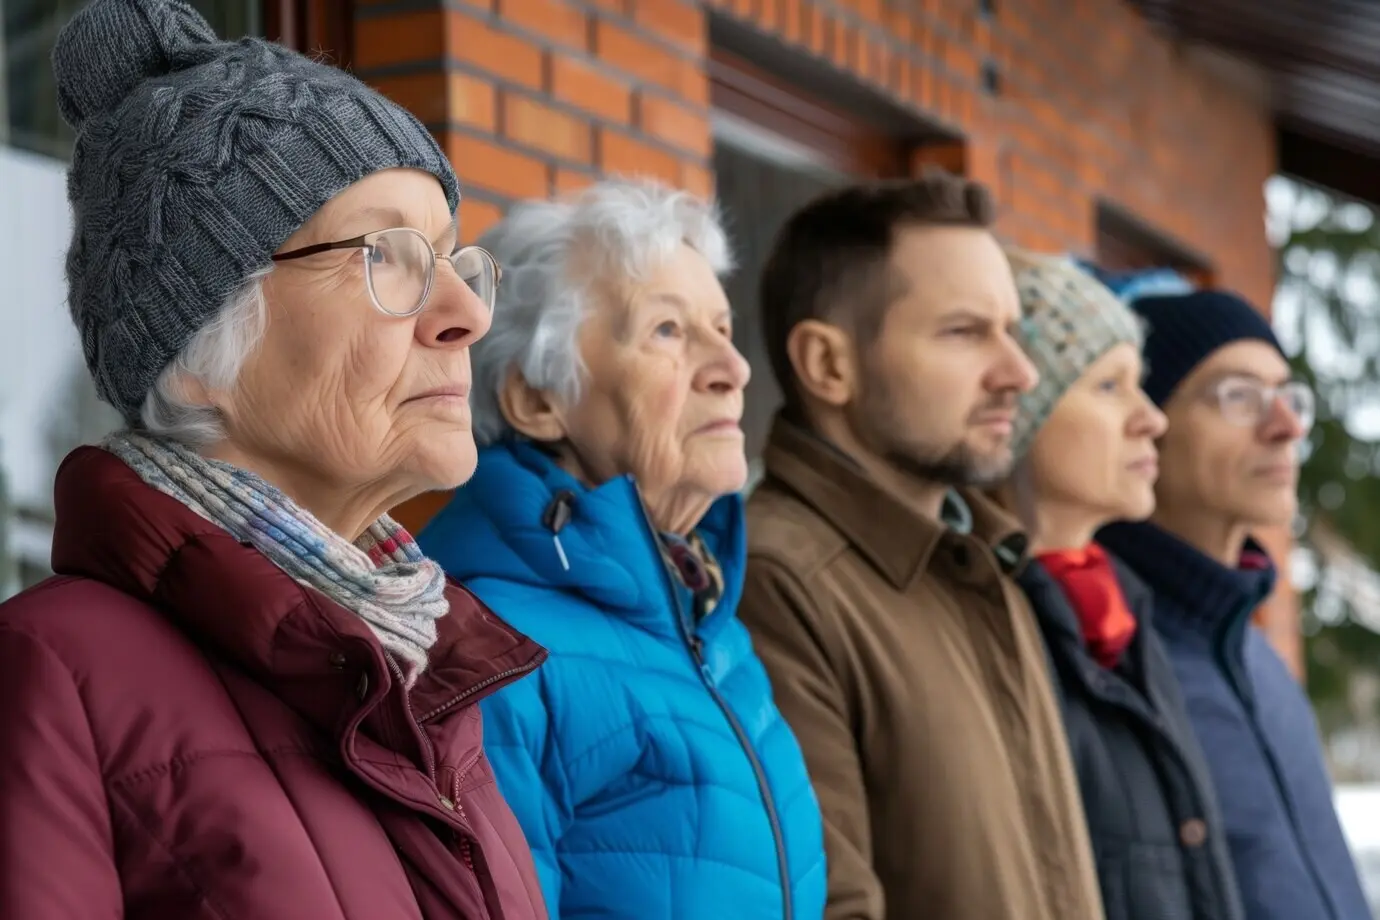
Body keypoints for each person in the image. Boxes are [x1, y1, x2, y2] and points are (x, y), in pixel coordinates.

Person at [0, 1, 548, 917]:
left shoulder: (423, 666)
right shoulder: (48, 677)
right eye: (388, 256)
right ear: (201, 345)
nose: (466, 313)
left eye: (452, 259)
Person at [416, 178, 827, 920]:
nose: (733, 369)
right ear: (537, 399)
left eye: (723, 328)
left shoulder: (704, 613)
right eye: (667, 331)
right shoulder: (492, 652)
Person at [737, 173, 1103, 920]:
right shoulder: (779, 582)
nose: (1020, 373)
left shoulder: (985, 565)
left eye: (1013, 331)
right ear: (829, 365)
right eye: (964, 332)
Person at [1099, 288, 1372, 920]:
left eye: (1289, 396)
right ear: (1146, 425)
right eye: (1238, 395)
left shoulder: (1258, 656)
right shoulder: (1104, 664)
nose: (1287, 427)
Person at [995, 251, 1244, 920]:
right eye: (1109, 385)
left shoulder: (1122, 609)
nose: (1151, 418)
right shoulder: (989, 623)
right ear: (1019, 409)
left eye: (1141, 384)